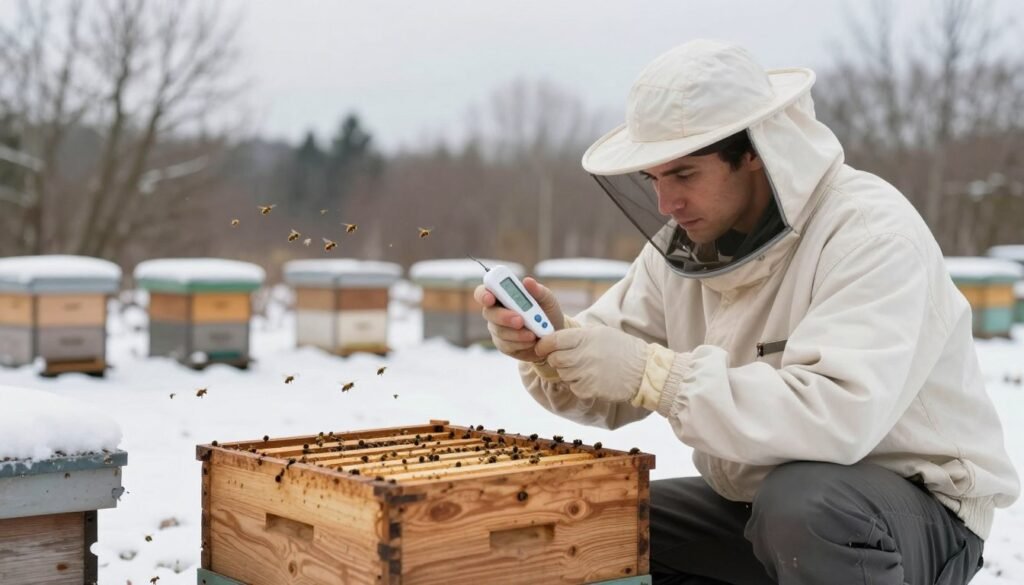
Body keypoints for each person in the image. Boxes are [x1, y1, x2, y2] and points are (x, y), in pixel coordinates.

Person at [474, 40, 1019, 585]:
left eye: (684, 175)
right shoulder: (684, 246)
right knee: (598, 526)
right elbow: (617, 358)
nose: (667, 203)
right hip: (760, 505)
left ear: (756, 151)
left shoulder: (870, 235)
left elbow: (836, 416)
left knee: (805, 508)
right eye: (654, 180)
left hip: (913, 512)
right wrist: (555, 348)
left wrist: (656, 376)